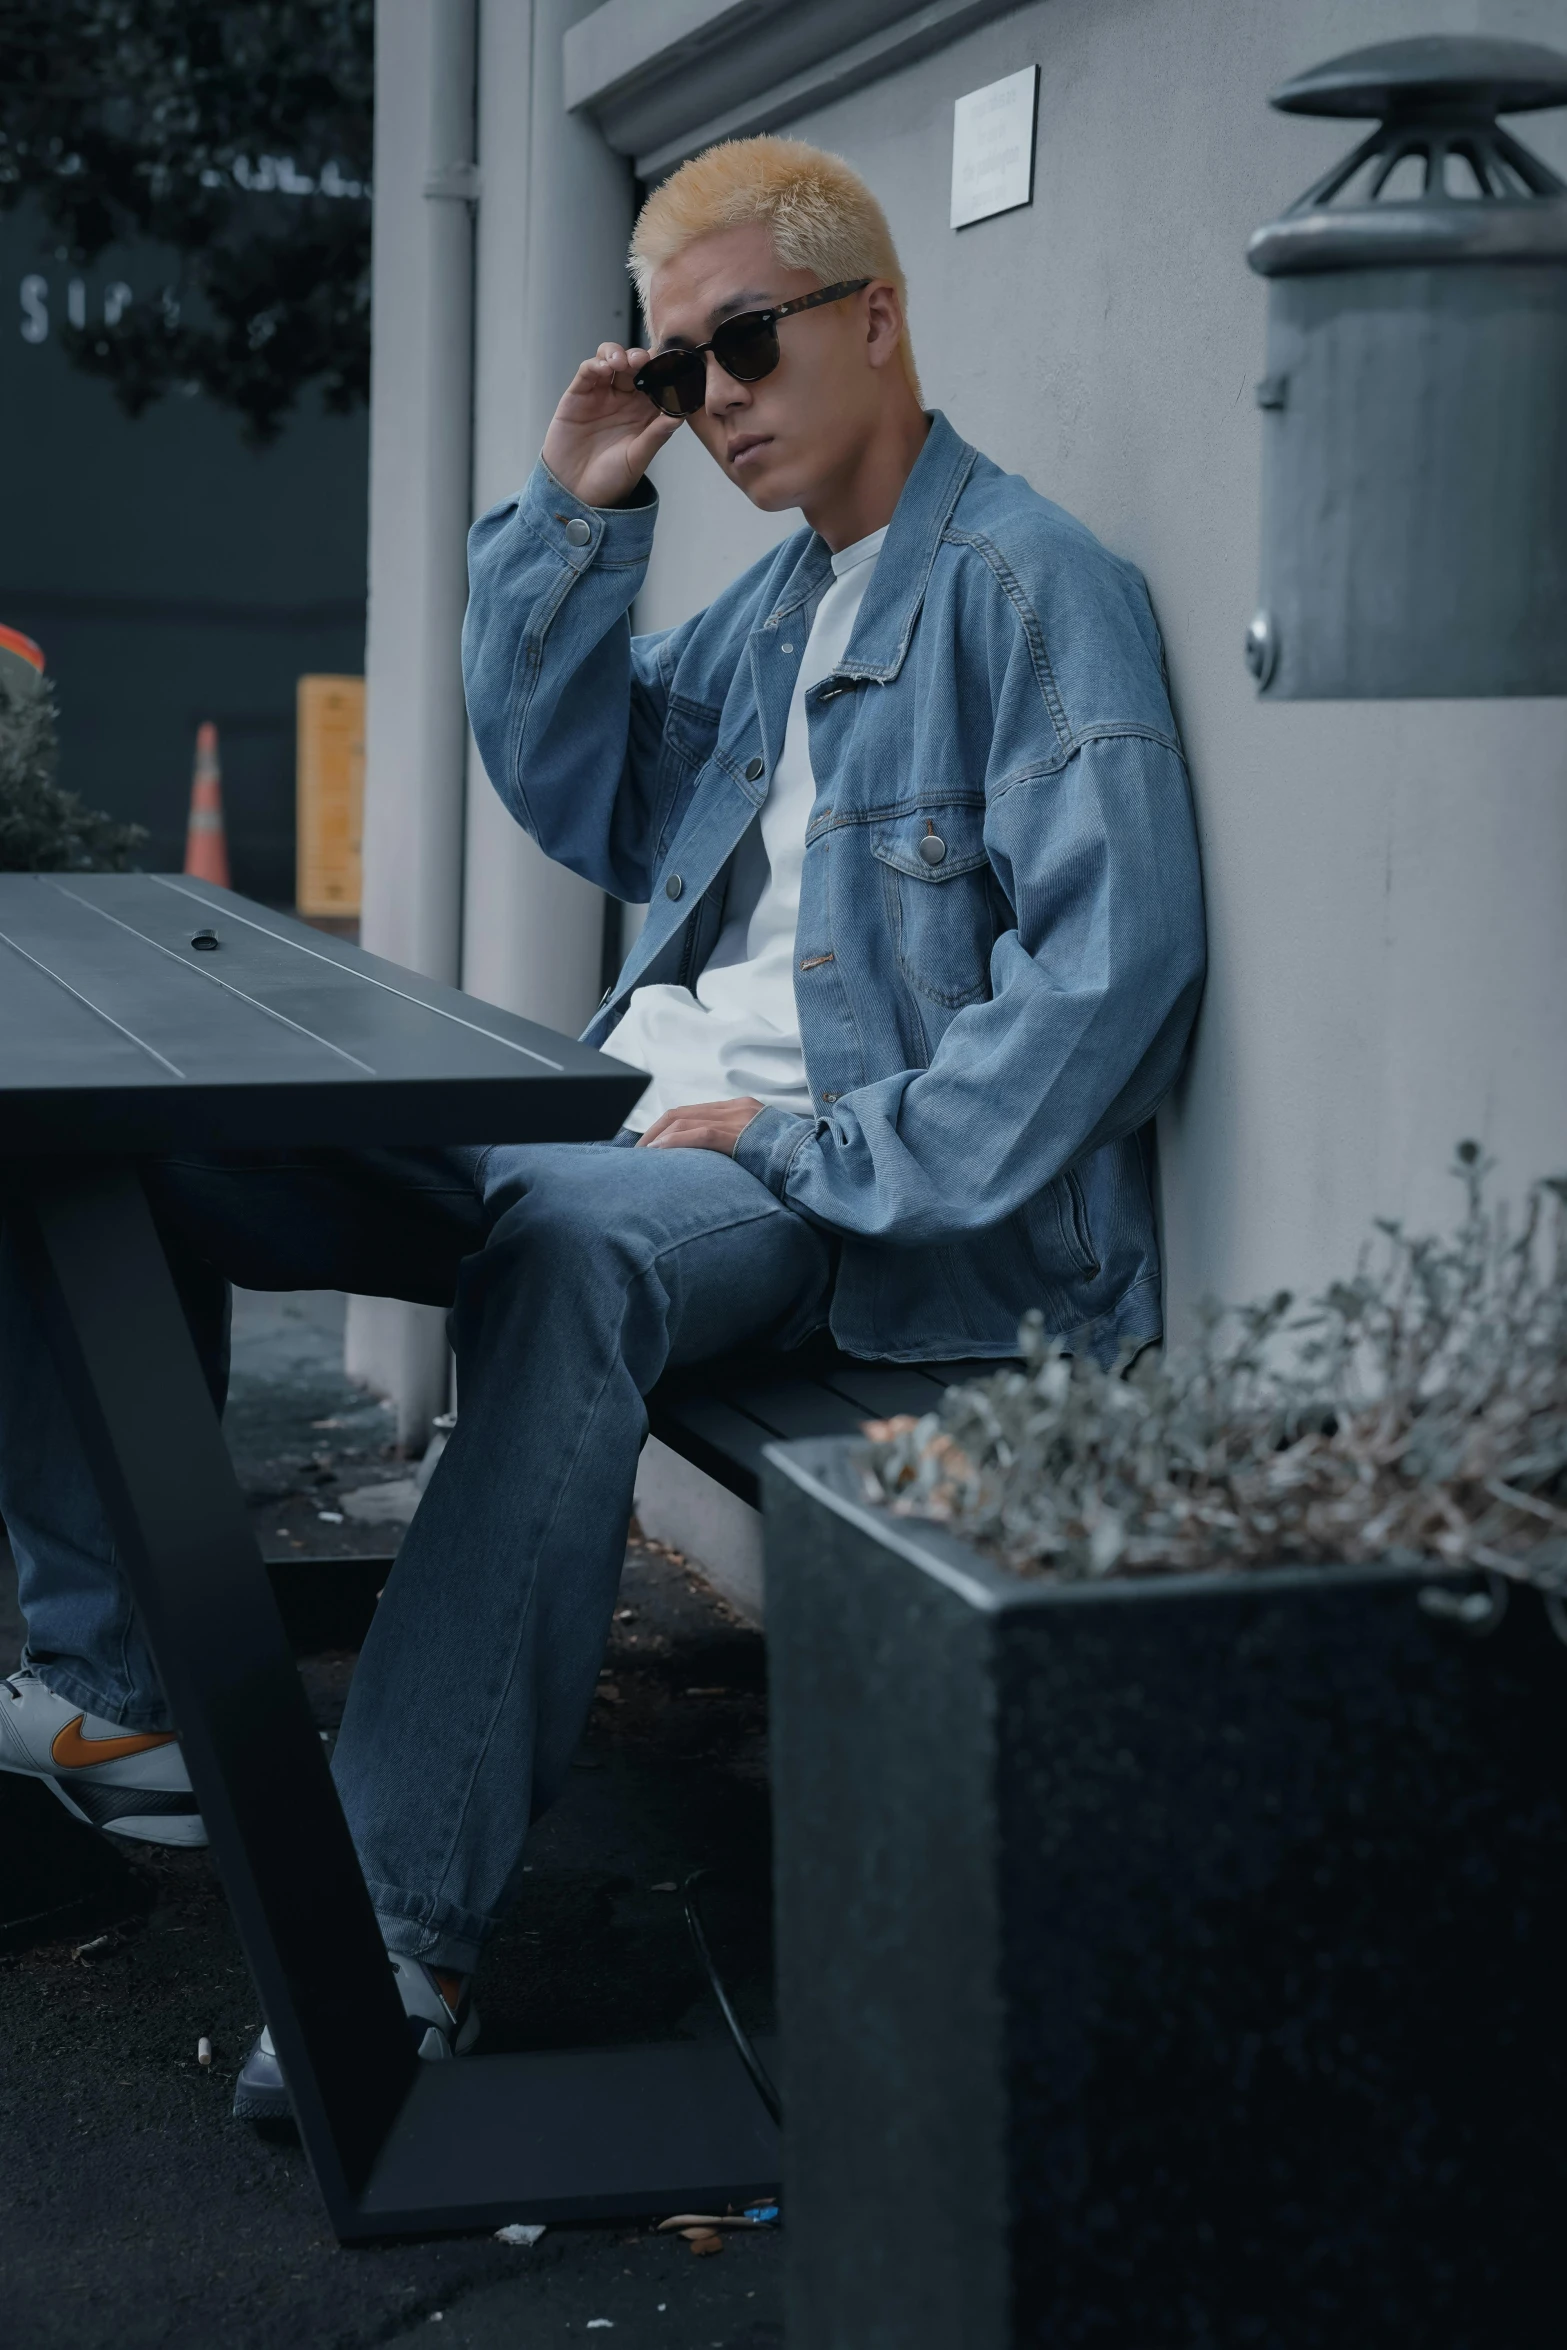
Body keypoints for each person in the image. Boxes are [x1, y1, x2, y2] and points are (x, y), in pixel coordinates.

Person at [0, 136, 1205, 2118]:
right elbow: (583, 783)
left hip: (810, 1195)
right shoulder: (789, 604)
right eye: (676, 366)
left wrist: (797, 1149)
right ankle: (126, 1693)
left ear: (877, 319)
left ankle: (391, 1932)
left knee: (566, 1260)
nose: (714, 397)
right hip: (605, 1113)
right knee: (101, 1127)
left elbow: (1114, 971)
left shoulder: (1031, 591)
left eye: (742, 344)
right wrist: (572, 501)